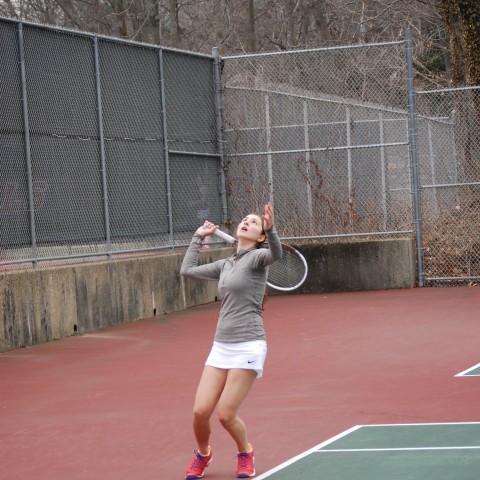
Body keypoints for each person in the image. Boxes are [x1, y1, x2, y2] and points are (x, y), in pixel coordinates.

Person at [180, 202, 282, 479]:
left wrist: (272, 230)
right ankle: (203, 454)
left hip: (248, 344)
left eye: (254, 222)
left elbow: (276, 253)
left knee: (225, 414)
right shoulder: (225, 264)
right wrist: (198, 237)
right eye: (244, 219)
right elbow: (187, 270)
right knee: (200, 412)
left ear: (260, 236)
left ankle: (245, 451)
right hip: (221, 345)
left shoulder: (258, 258)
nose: (246, 222)